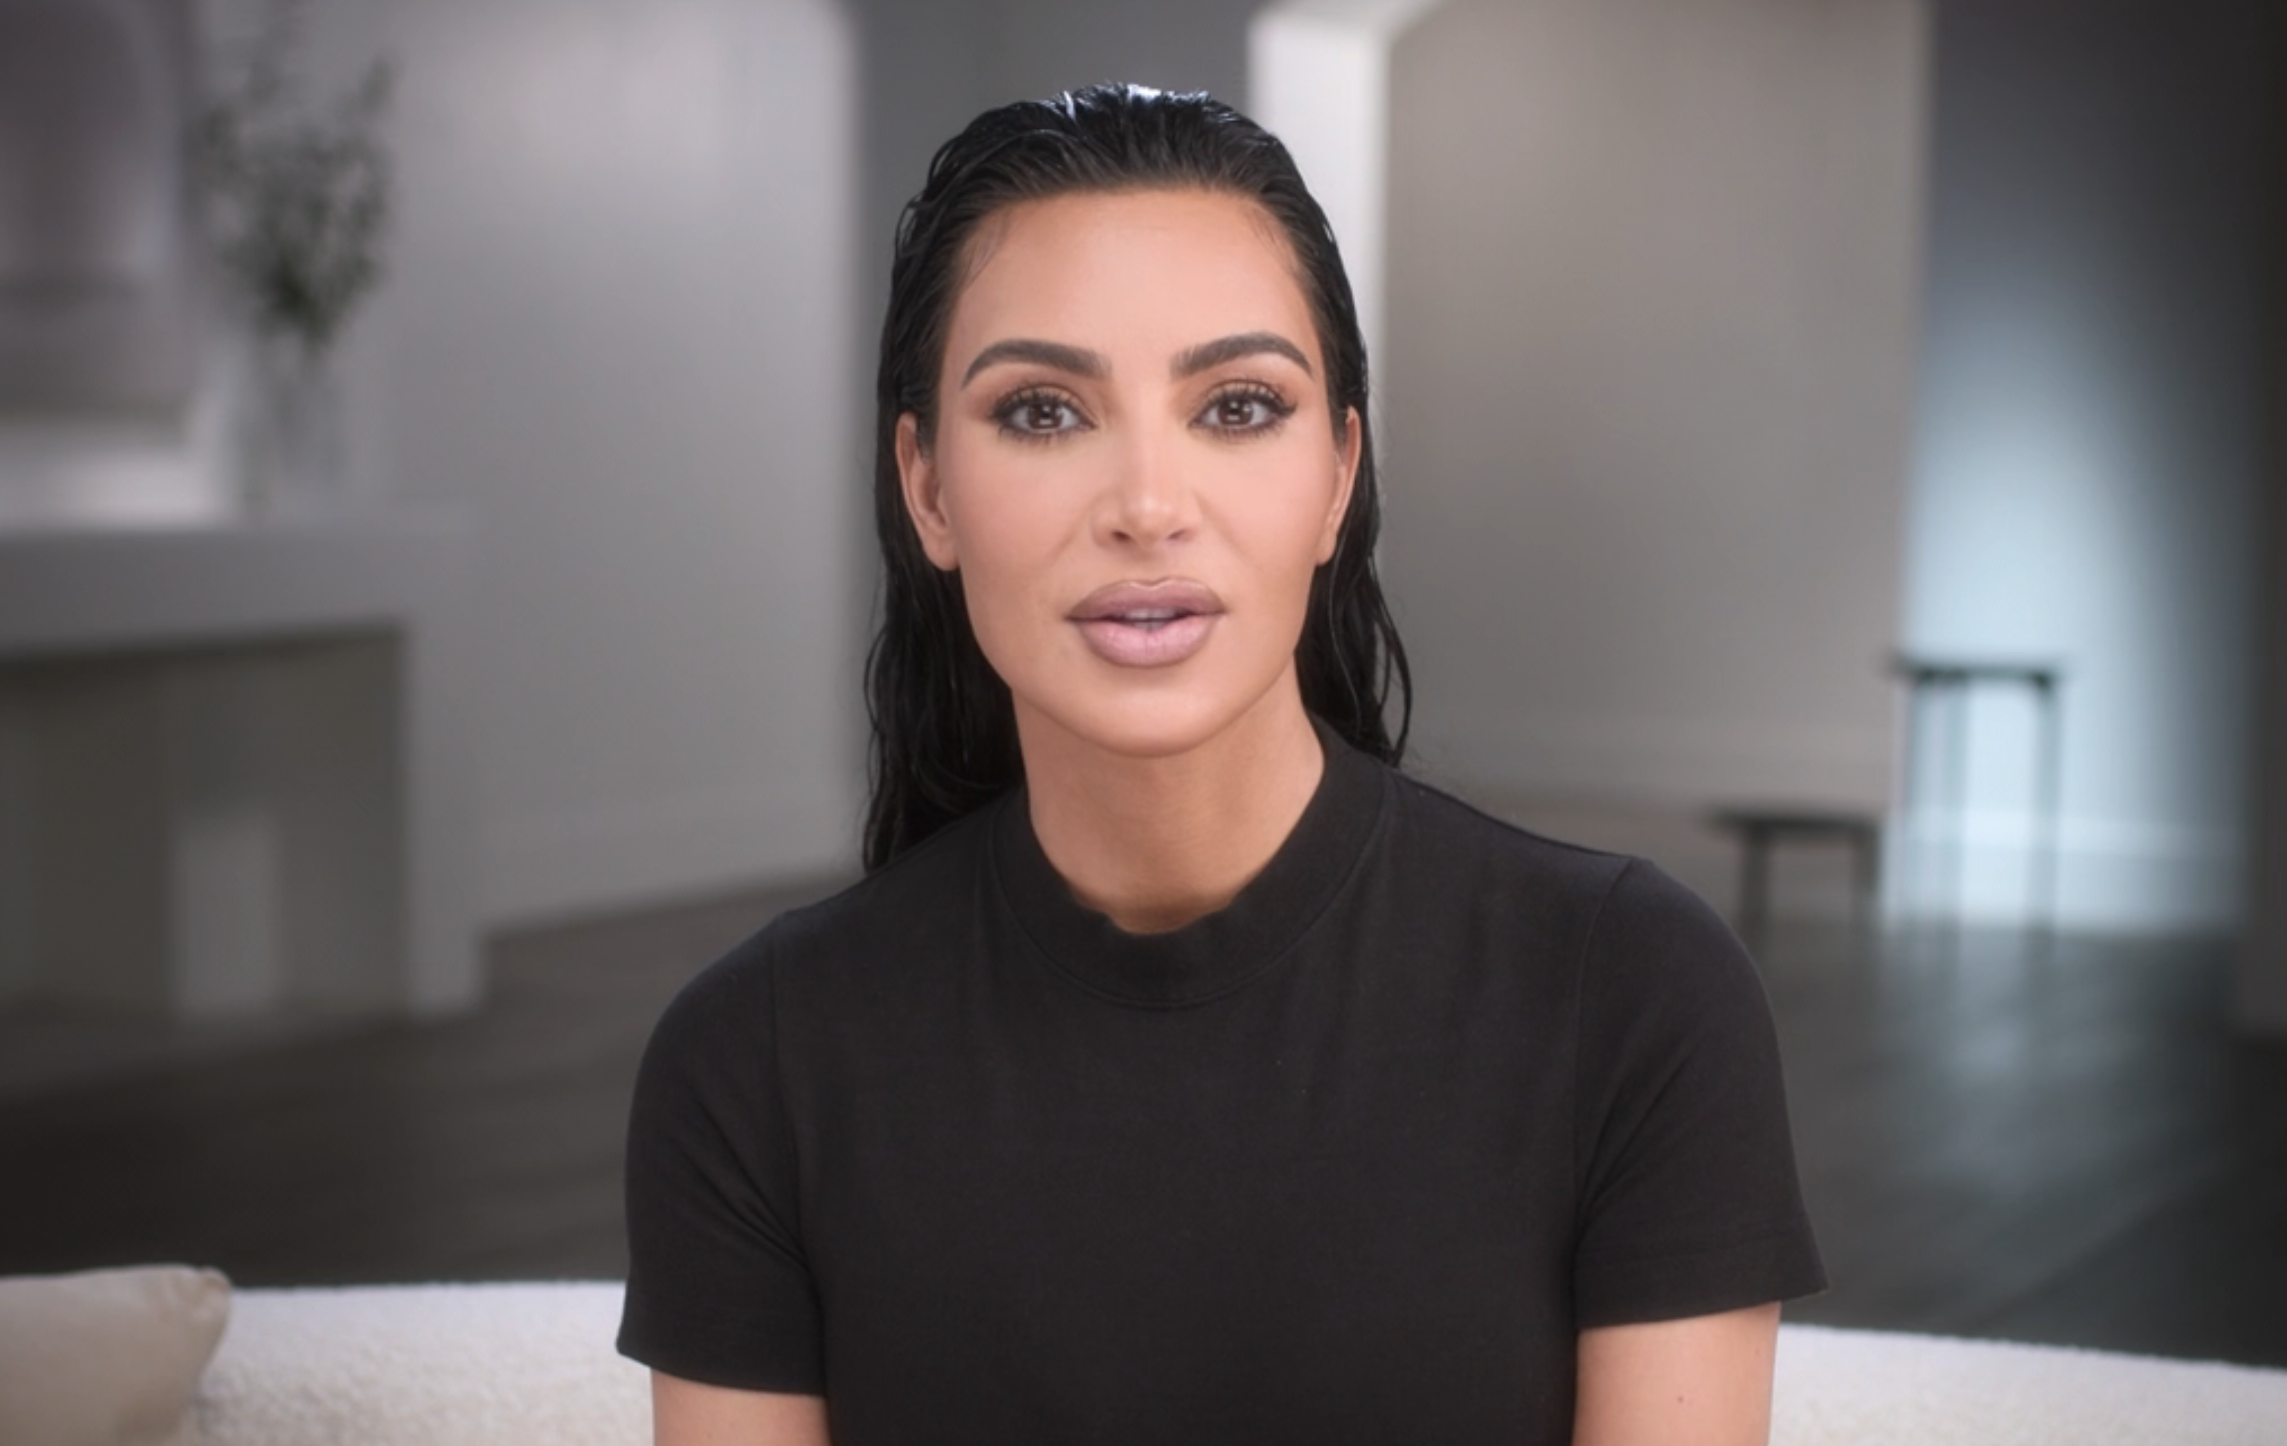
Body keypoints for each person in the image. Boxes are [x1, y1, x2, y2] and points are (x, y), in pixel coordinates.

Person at [617, 83, 1825, 1446]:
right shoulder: (753, 1061)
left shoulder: (1633, 997)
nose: (1146, 505)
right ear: (927, 488)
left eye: (1238, 404)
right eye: (1041, 412)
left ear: (1336, 475)